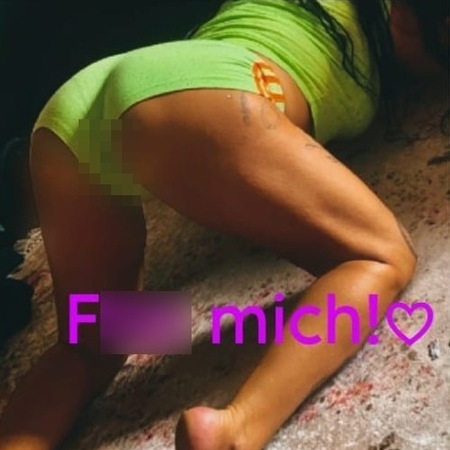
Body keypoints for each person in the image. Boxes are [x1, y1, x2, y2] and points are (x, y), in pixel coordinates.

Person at [0, 0, 447, 449]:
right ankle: (234, 431)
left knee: (93, 341)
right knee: (383, 255)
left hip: (83, 100)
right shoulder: (387, 22)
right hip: (206, 90)